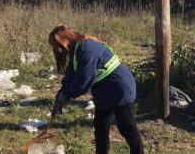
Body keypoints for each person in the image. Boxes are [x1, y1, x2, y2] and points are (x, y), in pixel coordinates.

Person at [49, 25, 143, 154]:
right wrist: (60, 95)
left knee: (127, 128)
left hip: (120, 89)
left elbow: (84, 81)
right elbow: (71, 75)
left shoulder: (87, 49)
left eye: (57, 47)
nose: (58, 50)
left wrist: (67, 95)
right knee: (100, 127)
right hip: (104, 92)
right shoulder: (76, 51)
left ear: (64, 40)